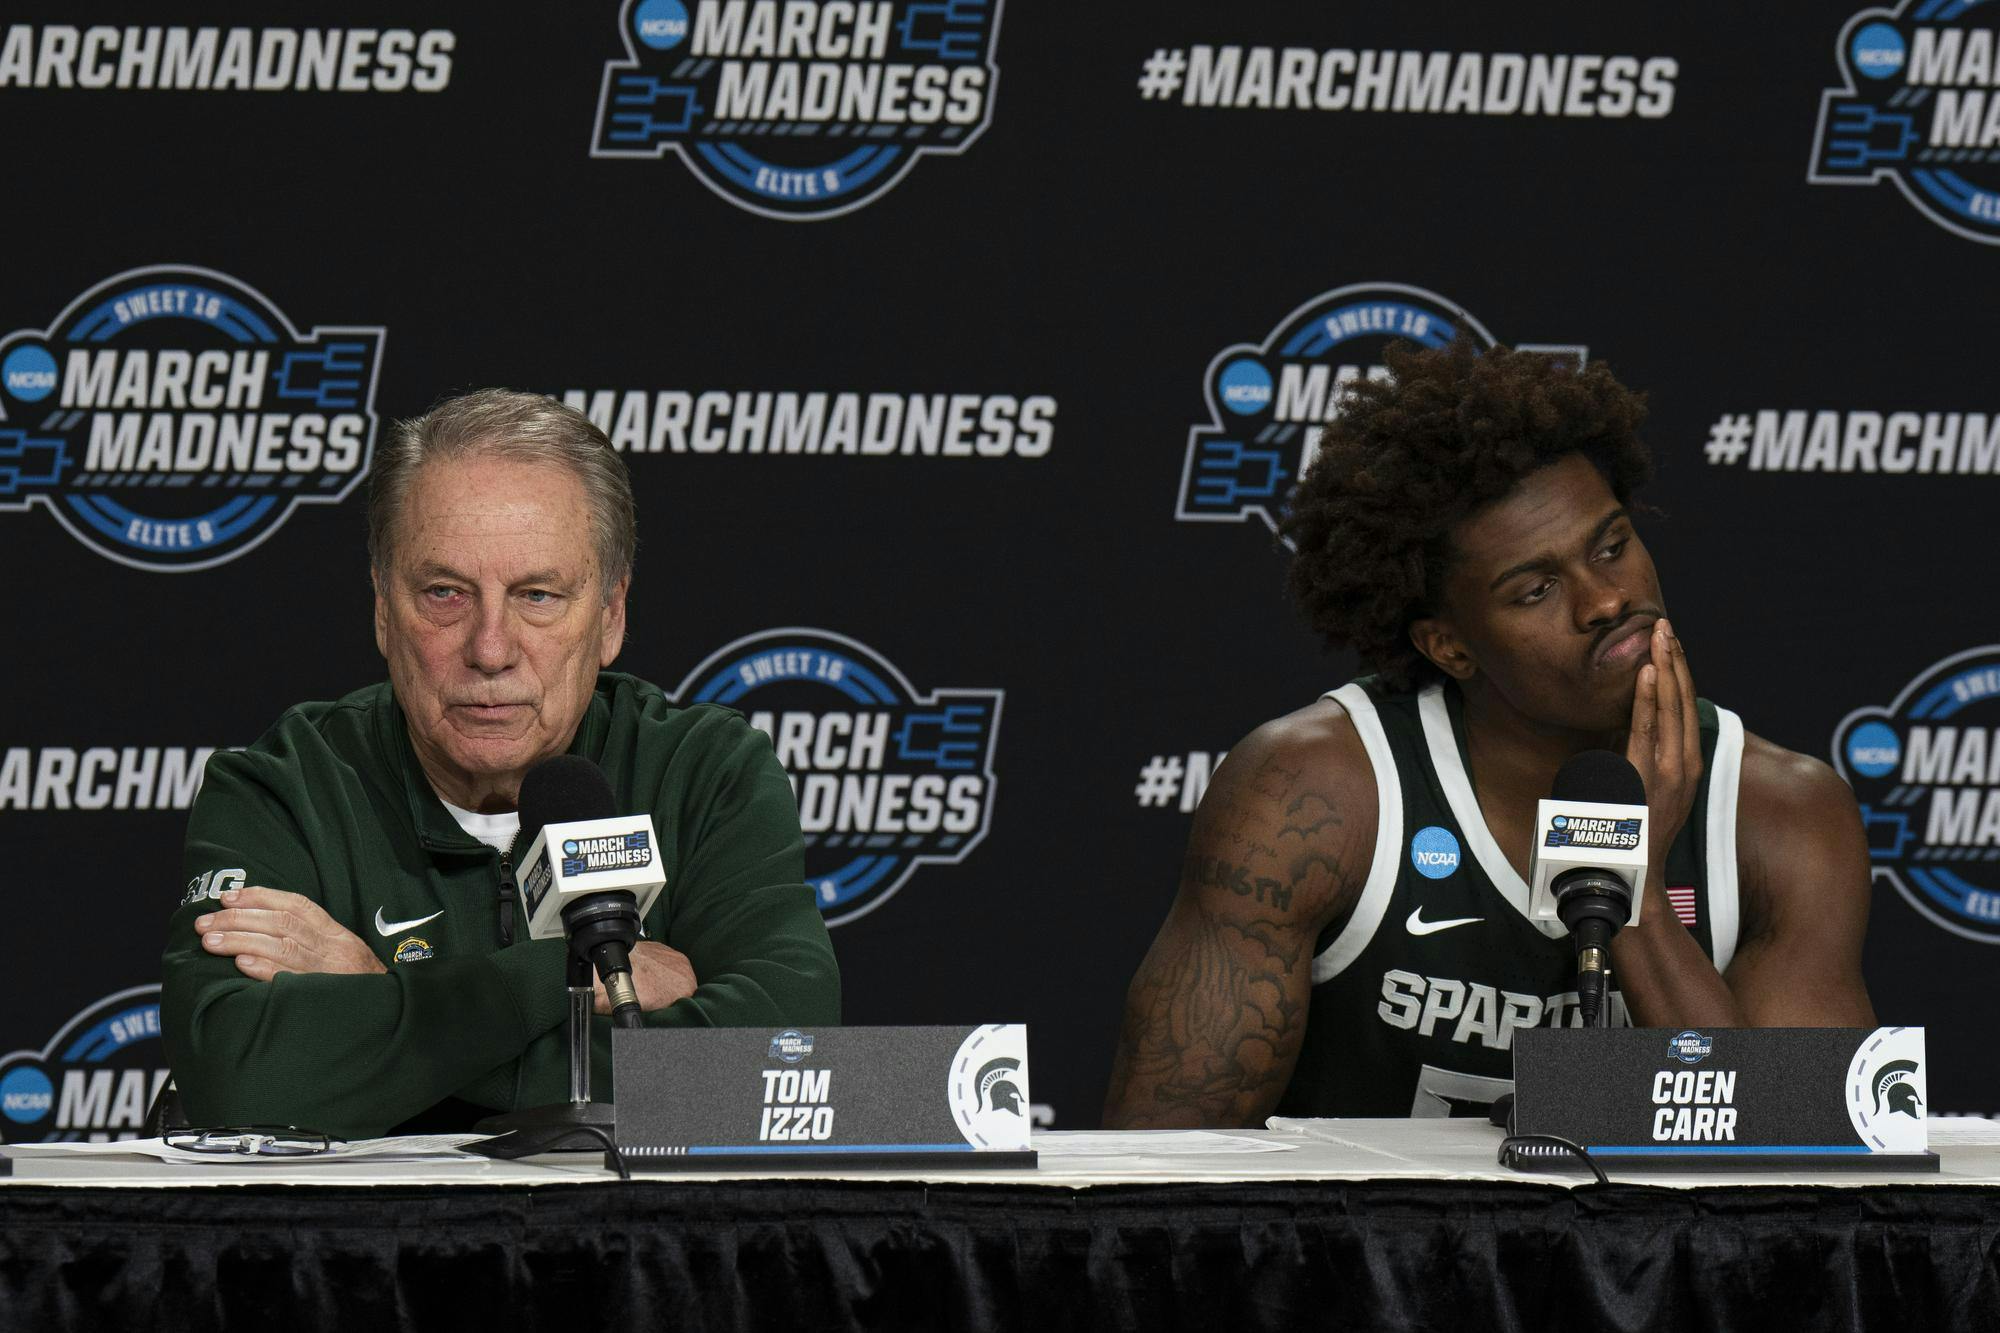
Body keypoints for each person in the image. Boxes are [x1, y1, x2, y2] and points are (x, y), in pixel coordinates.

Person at [1103, 341, 1874, 1127]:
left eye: (1612, 547)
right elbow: (1162, 1161)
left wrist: (1635, 891)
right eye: (1536, 590)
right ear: (1450, 646)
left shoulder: (1783, 817)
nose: (1605, 600)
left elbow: (1794, 1160)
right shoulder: (1313, 796)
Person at [161, 390, 840, 1138]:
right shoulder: (283, 789)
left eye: (538, 595)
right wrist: (559, 979)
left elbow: (783, 1075)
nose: (490, 649)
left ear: (611, 615)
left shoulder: (704, 773)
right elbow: (239, 1080)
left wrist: (384, 995)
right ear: (383, 608)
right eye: (444, 593)